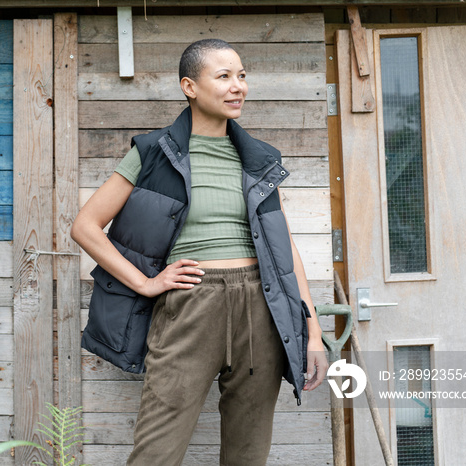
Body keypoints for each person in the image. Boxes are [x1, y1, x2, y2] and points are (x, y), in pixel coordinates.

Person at [71, 38, 328, 465]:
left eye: (242, 76)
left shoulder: (259, 159)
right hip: (190, 305)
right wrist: (147, 283)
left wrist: (313, 333)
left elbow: (286, 253)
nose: (238, 86)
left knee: (248, 453)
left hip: (261, 307)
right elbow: (85, 226)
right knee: (157, 452)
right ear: (189, 86)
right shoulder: (153, 153)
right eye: (224, 76)